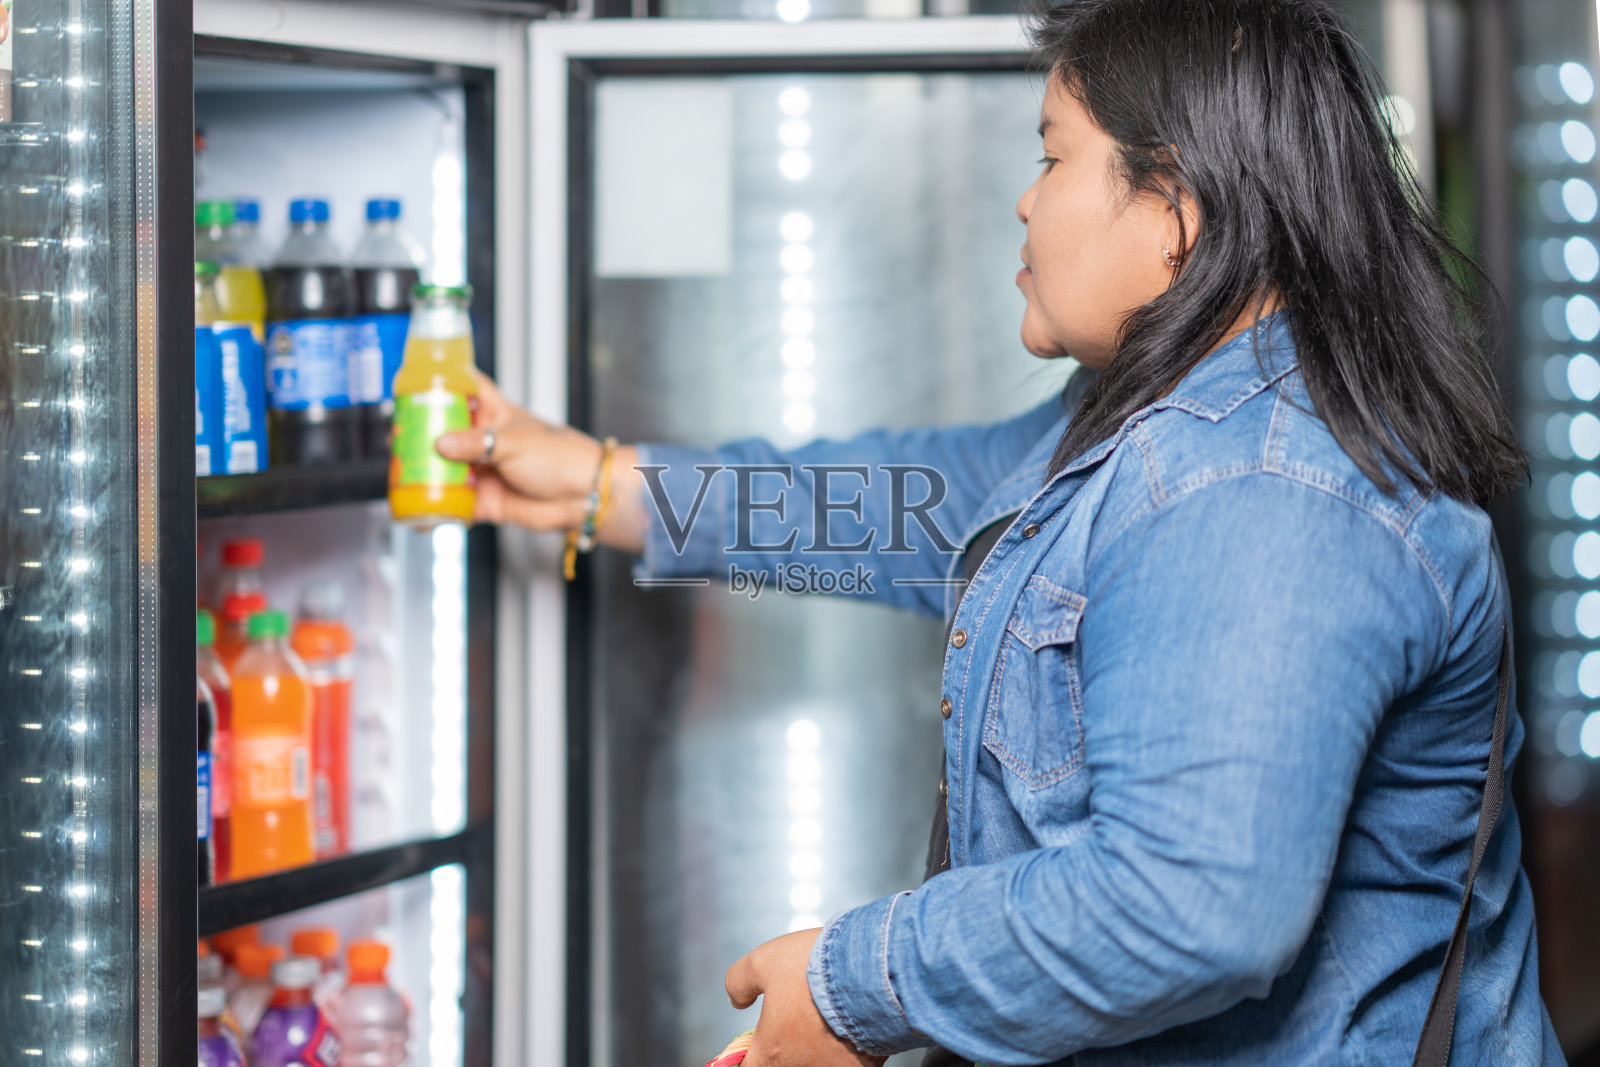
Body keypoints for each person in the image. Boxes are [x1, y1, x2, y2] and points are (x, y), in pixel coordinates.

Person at [438, 0, 1566, 1062]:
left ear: (1174, 208)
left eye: (1051, 154)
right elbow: (923, 501)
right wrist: (598, 482)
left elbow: (1187, 906)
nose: (1025, 202)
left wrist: (848, 984)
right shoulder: (1160, 421)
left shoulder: (1268, 496)